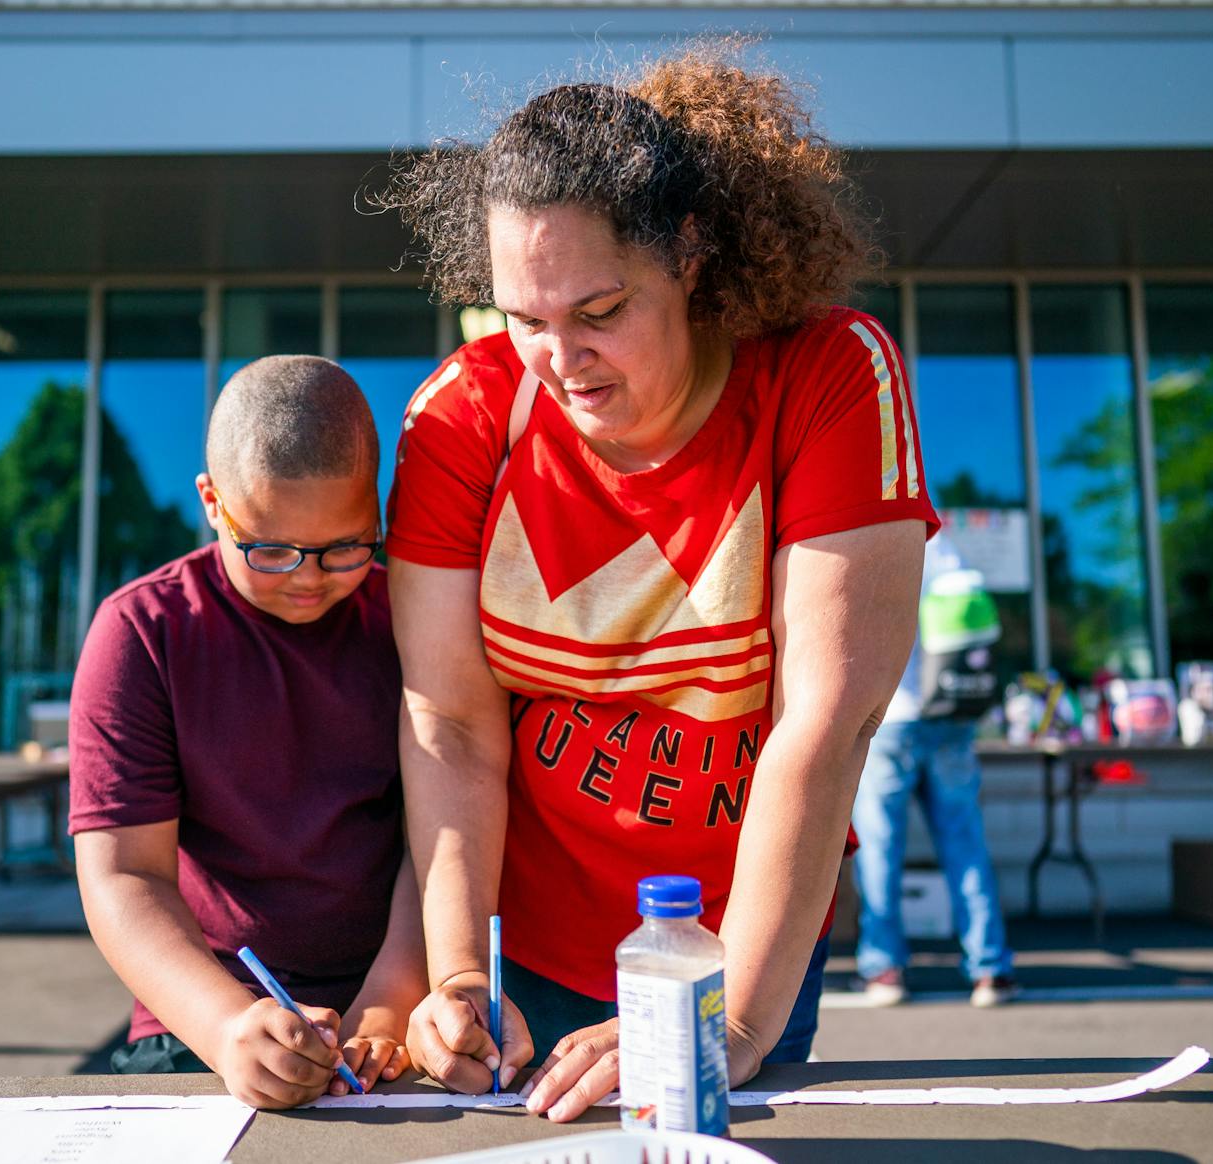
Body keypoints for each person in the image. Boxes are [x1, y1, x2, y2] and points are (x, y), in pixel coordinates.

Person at [377, 47, 939, 1120]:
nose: (560, 357)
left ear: (686, 255)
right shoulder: (460, 415)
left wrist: (722, 1023)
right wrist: (455, 976)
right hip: (525, 946)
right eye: (524, 318)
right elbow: (448, 722)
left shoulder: (826, 376)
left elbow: (824, 722)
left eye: (598, 311)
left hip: (740, 942)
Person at [69, 356, 425, 1108]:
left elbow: (441, 839)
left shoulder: (414, 622)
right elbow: (125, 874)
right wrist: (226, 1024)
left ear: (378, 511)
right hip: (200, 1017)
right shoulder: (144, 633)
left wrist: (394, 995)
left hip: (398, 1004)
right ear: (211, 502)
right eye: (269, 549)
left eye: (347, 546)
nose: (308, 577)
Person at [851, 532, 1017, 1008]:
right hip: (951, 717)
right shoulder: (947, 546)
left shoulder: (879, 538)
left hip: (893, 718)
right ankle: (991, 970)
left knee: (881, 847)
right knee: (965, 843)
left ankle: (884, 969)